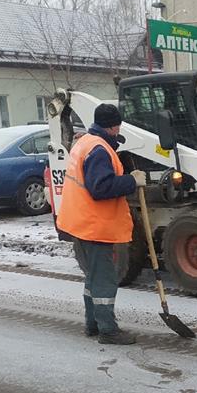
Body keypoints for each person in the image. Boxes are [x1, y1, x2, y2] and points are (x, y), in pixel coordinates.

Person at [57, 103, 146, 345]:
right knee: (105, 278)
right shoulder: (99, 150)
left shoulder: (86, 143)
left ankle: (92, 324)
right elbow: (101, 188)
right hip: (94, 225)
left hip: (81, 221)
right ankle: (108, 330)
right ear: (114, 126)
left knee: (93, 276)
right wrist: (131, 181)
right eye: (118, 125)